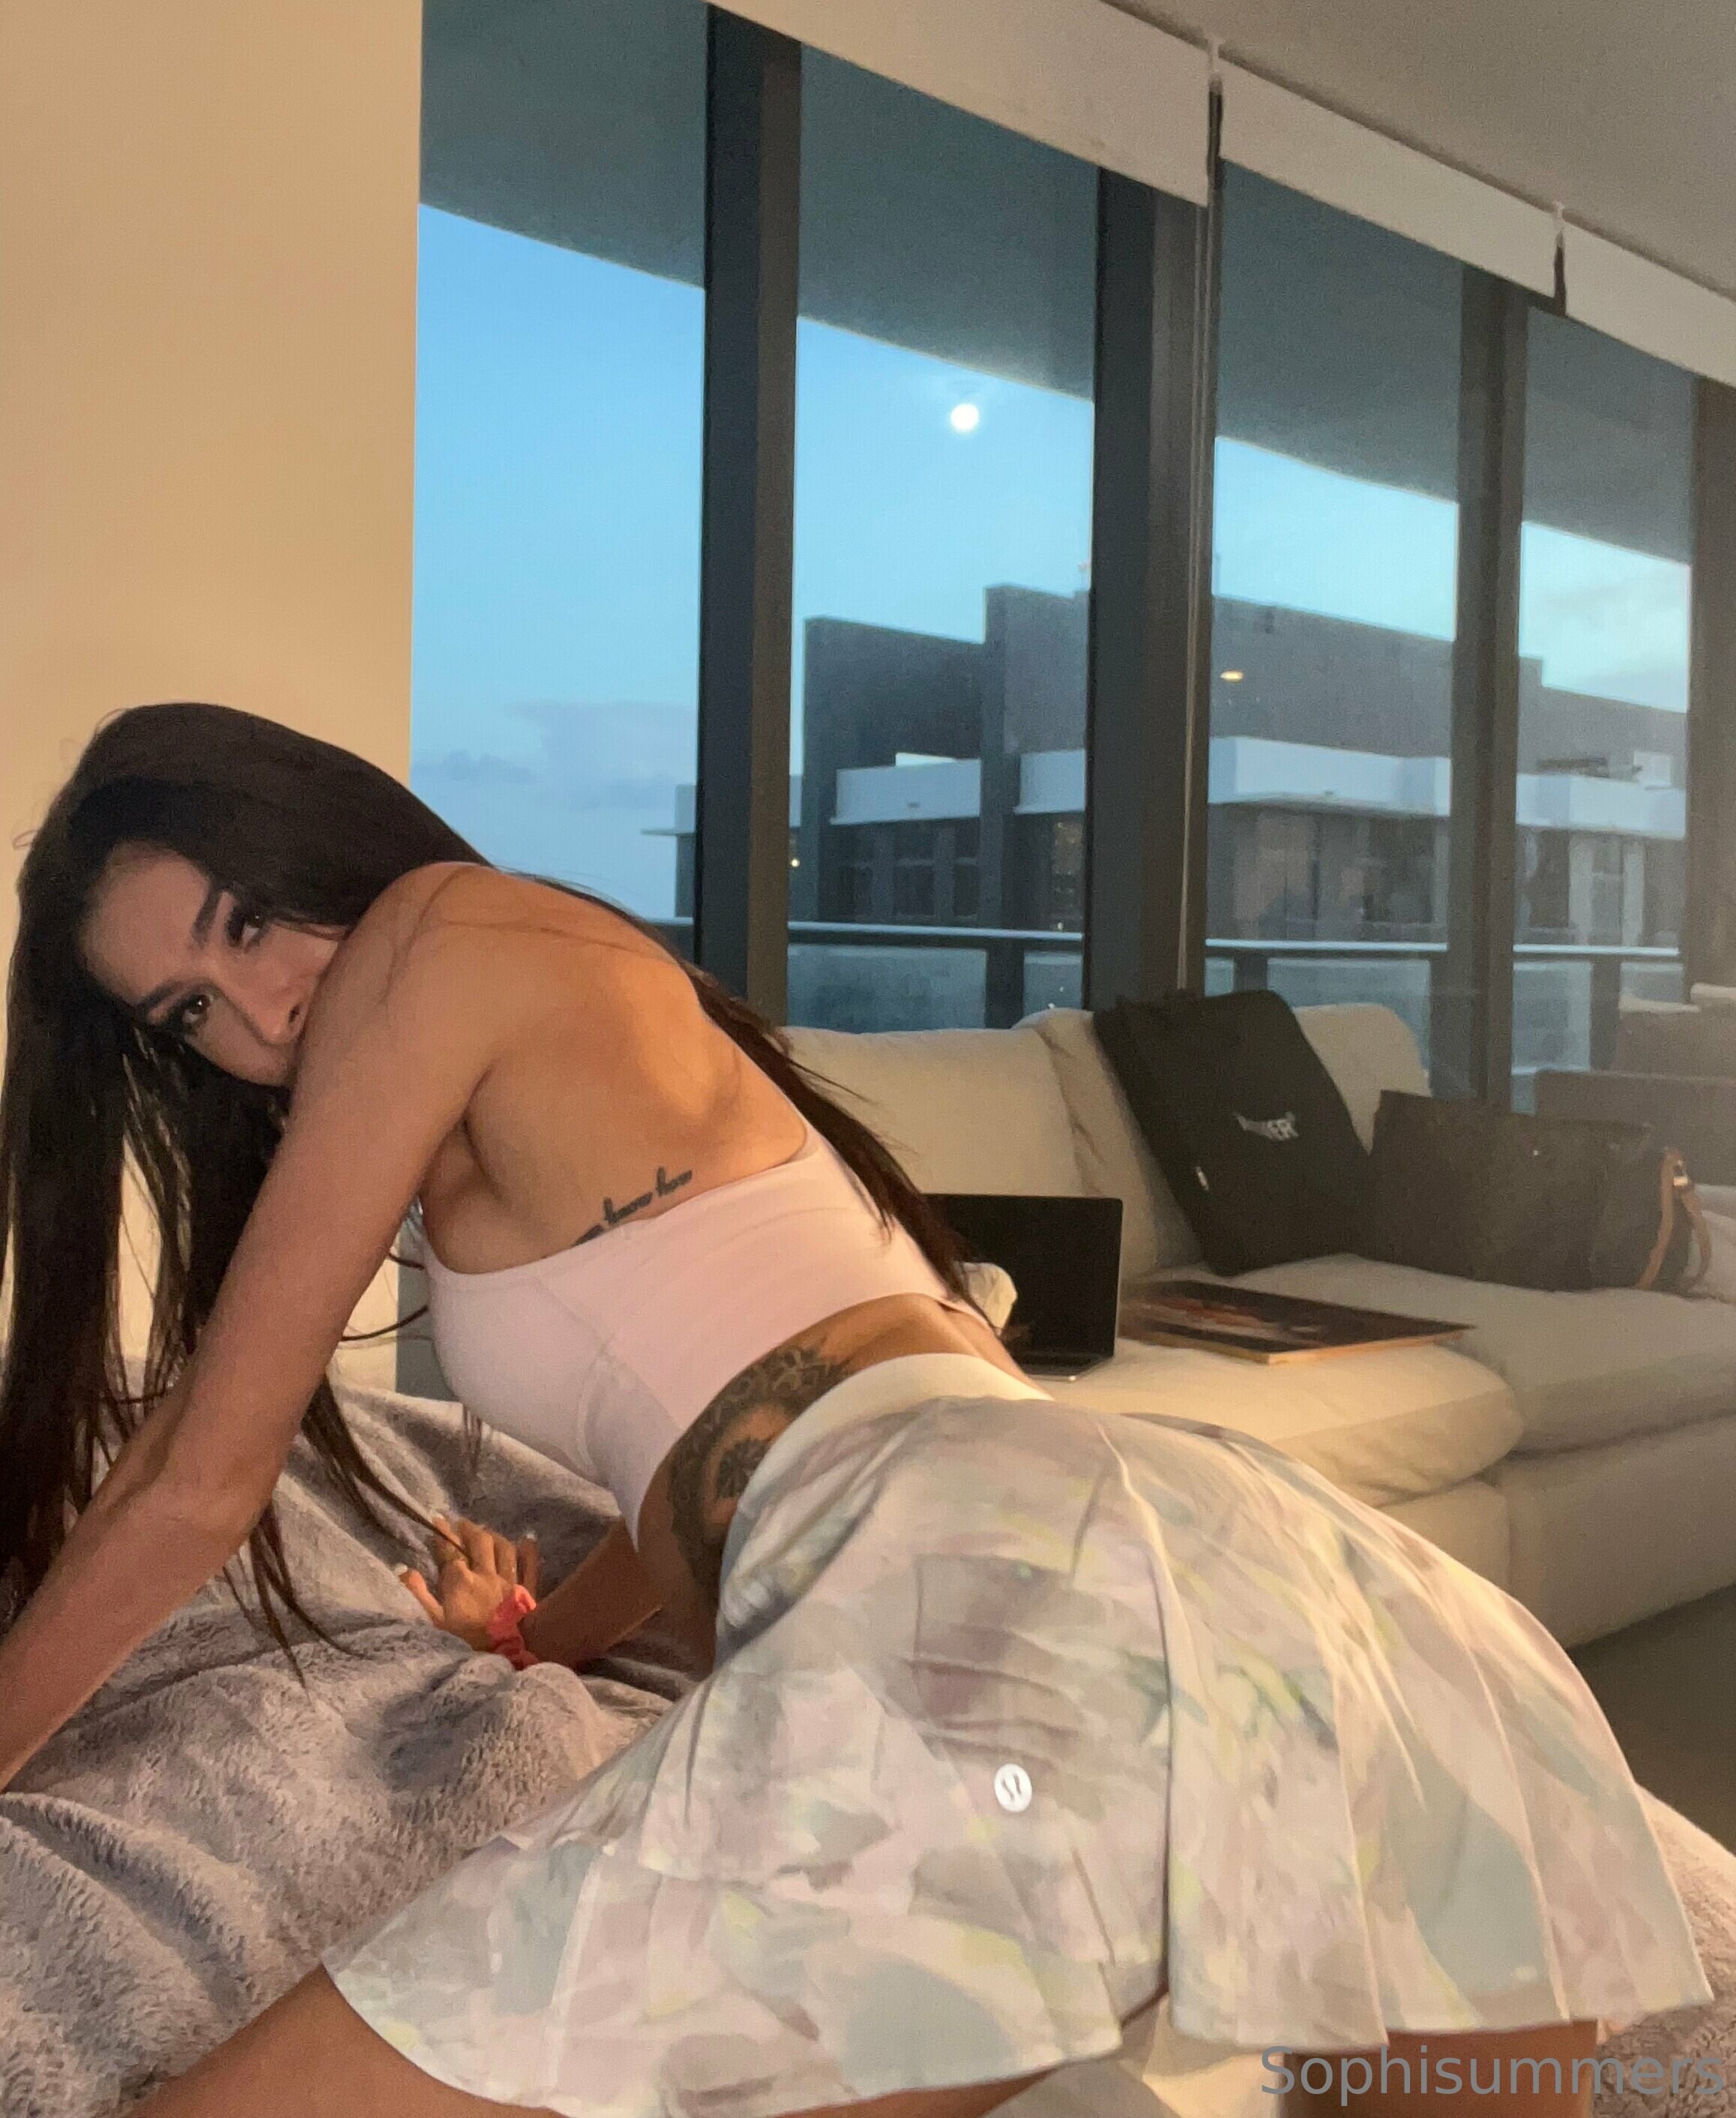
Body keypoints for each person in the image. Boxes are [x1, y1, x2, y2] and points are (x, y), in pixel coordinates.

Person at [0, 703, 1706, 2118]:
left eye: (245, 921)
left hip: (1002, 1596)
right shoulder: (564, 1023)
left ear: (319, 833)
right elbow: (726, 1438)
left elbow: (195, 1477)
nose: (260, 1010)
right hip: (1252, 1594)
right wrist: (536, 1642)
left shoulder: (442, 928)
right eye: (189, 1013)